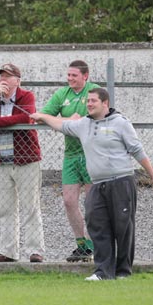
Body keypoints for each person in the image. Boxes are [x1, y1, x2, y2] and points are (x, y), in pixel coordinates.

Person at [31, 88, 153, 280]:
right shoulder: (83, 124)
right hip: (97, 184)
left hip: (121, 182)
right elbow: (61, 125)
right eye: (88, 101)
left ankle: (123, 271)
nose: (89, 104)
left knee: (123, 227)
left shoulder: (120, 123)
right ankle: (103, 271)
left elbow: (136, 149)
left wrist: (152, 175)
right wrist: (42, 116)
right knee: (97, 225)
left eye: (93, 101)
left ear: (105, 103)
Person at [0, 63, 45, 263]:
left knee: (30, 206)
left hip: (26, 160)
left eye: (8, 76)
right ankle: (8, 251)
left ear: (17, 81)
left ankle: (35, 250)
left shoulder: (26, 97)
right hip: (2, 160)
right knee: (5, 208)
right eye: (1, 76)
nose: (3, 80)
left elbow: (26, 118)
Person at [41, 60, 99, 262]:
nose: (70, 78)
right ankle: (81, 245)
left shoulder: (94, 92)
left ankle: (94, 245)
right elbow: (43, 116)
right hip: (71, 155)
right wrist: (67, 121)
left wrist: (65, 122)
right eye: (69, 75)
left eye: (74, 75)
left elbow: (91, 118)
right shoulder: (62, 94)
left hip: (92, 153)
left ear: (85, 76)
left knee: (92, 203)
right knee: (69, 201)